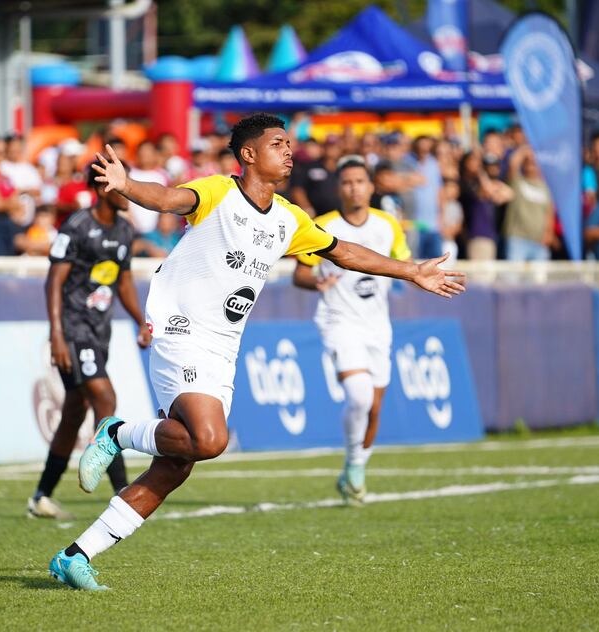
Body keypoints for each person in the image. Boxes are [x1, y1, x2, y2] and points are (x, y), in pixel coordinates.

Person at [47, 113, 465, 591]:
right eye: (277, 143)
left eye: (289, 144)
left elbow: (343, 252)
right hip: (182, 331)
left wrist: (410, 270)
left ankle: (75, 555)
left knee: (177, 465)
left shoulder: (289, 218)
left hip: (223, 348)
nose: (288, 151)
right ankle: (117, 432)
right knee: (210, 440)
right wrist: (126, 185)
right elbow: (167, 198)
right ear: (248, 154)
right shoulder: (218, 192)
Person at [28, 163, 150, 520]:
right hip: (73, 328)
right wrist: (57, 333)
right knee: (105, 397)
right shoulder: (78, 226)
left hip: (99, 331)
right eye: (121, 184)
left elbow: (123, 282)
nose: (128, 191)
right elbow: (54, 281)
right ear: (101, 189)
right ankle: (124, 493)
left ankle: (41, 496)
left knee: (74, 412)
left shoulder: (125, 230)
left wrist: (141, 321)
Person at [292, 156, 411, 504]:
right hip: (339, 321)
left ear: (371, 187)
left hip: (378, 326)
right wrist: (317, 283)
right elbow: (300, 273)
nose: (354, 188)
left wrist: (422, 274)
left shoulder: (388, 224)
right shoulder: (322, 226)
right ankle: (355, 467)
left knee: (373, 408)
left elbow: (404, 264)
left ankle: (354, 467)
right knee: (359, 395)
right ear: (338, 188)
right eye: (347, 182)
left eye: (360, 181)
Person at [503, 146, 554, 261]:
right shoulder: (517, 181)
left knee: (541, 273)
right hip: (517, 239)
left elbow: (549, 212)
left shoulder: (545, 188)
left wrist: (548, 234)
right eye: (528, 162)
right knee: (513, 273)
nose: (532, 164)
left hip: (539, 243)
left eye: (534, 162)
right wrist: (527, 148)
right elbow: (513, 163)